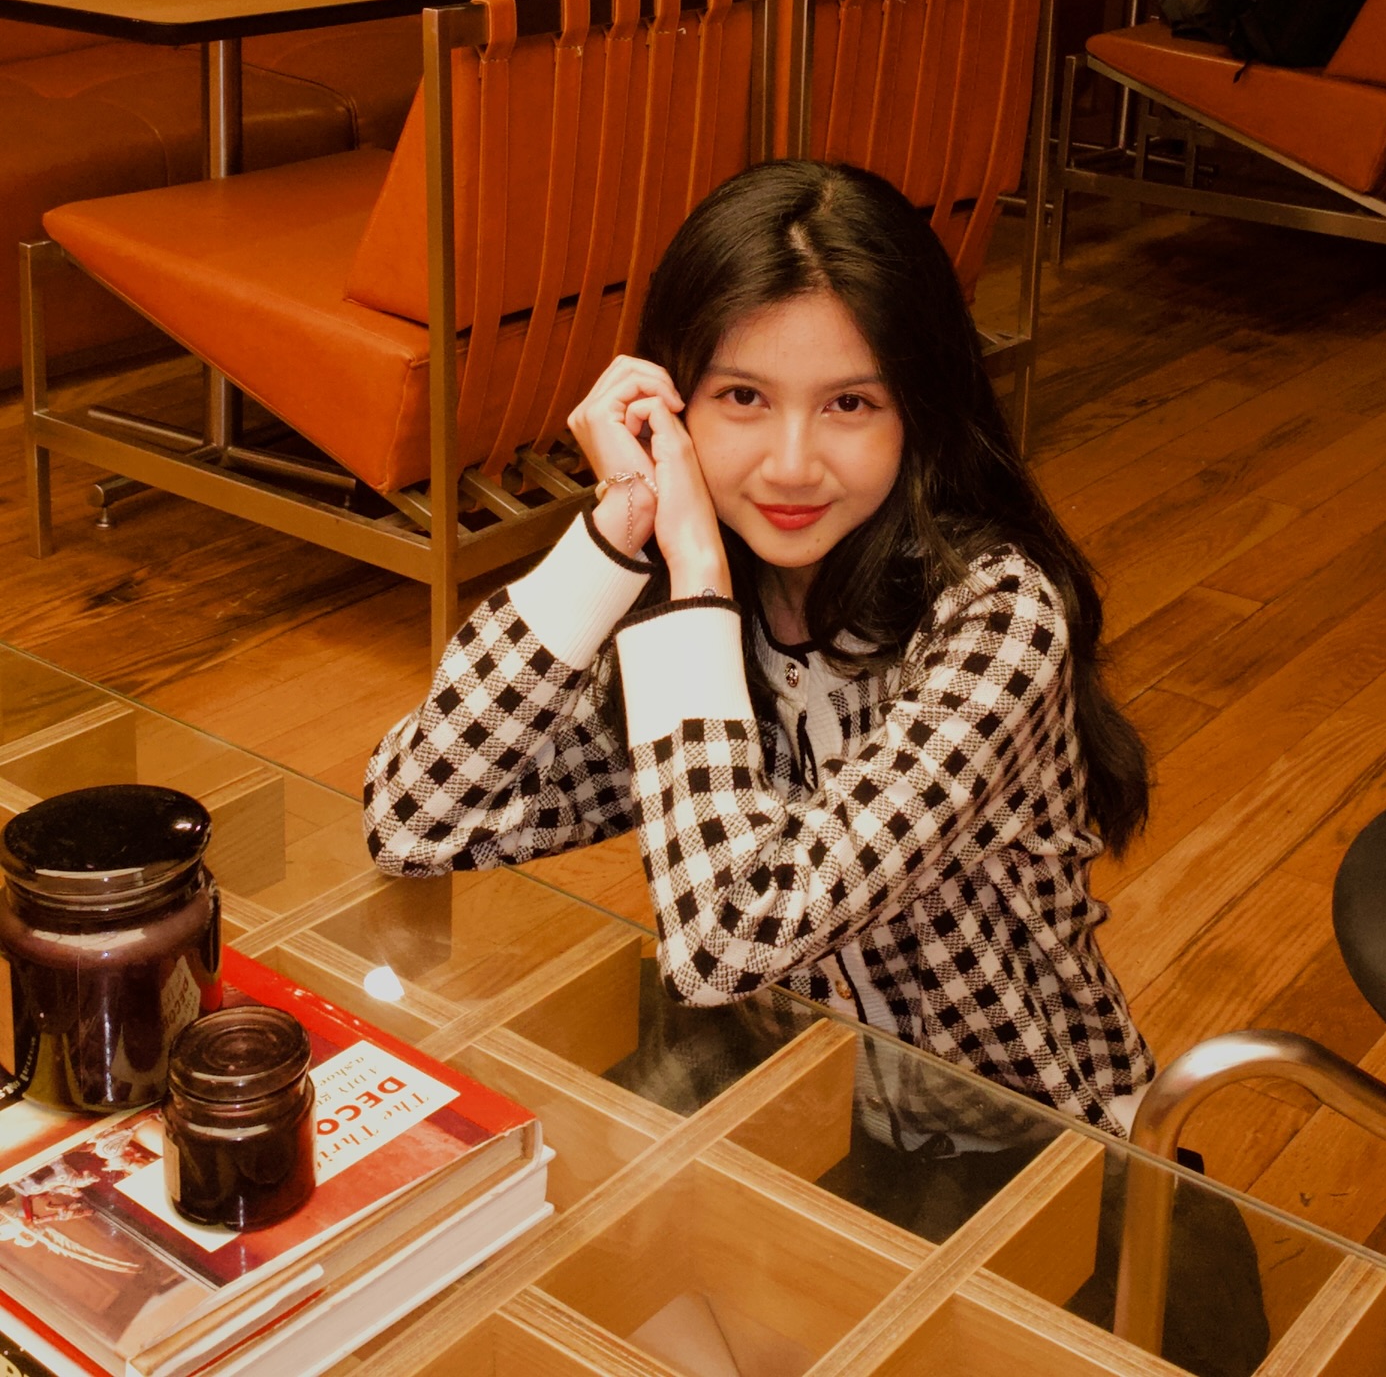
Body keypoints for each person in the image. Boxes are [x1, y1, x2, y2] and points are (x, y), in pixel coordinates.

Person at [364, 160, 1155, 1136]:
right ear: (670, 406)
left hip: (1034, 1143)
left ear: (919, 412)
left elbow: (728, 944)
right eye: (743, 396)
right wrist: (617, 526)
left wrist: (696, 572)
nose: (790, 464)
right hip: (805, 1114)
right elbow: (414, 818)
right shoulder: (707, 623)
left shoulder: (997, 614)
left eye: (849, 404)